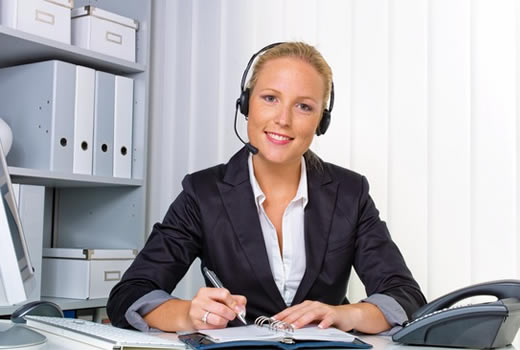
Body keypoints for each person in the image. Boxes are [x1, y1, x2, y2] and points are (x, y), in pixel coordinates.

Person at [107, 42, 426, 334]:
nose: (283, 119)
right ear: (246, 104)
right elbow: (130, 293)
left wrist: (345, 314)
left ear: (321, 121)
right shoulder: (202, 193)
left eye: (304, 106)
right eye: (270, 98)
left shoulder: (350, 192)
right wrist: (188, 313)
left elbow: (405, 295)